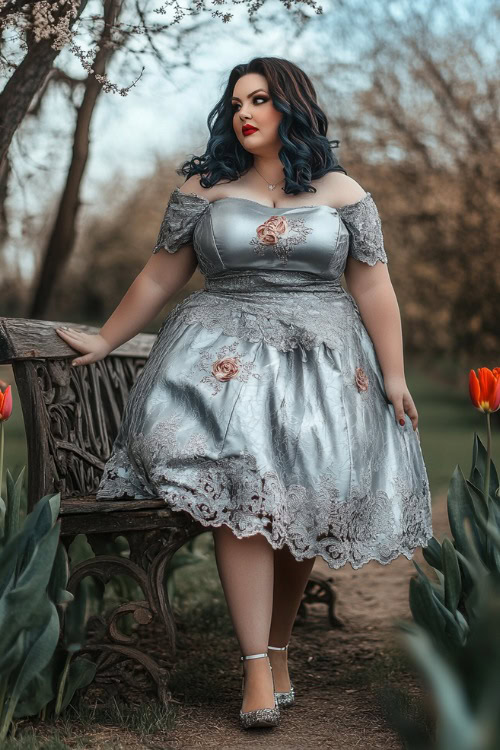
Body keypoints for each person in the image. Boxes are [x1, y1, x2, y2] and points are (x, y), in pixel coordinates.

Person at [55, 56, 433, 730]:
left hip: (322, 369)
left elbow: (374, 284)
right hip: (219, 368)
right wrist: (107, 339)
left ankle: (279, 649)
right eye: (235, 104)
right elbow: (157, 277)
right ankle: (256, 665)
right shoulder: (207, 187)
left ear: (293, 106)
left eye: (259, 100)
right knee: (243, 479)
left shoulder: (341, 191)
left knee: (305, 493)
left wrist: (395, 374)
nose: (244, 113)